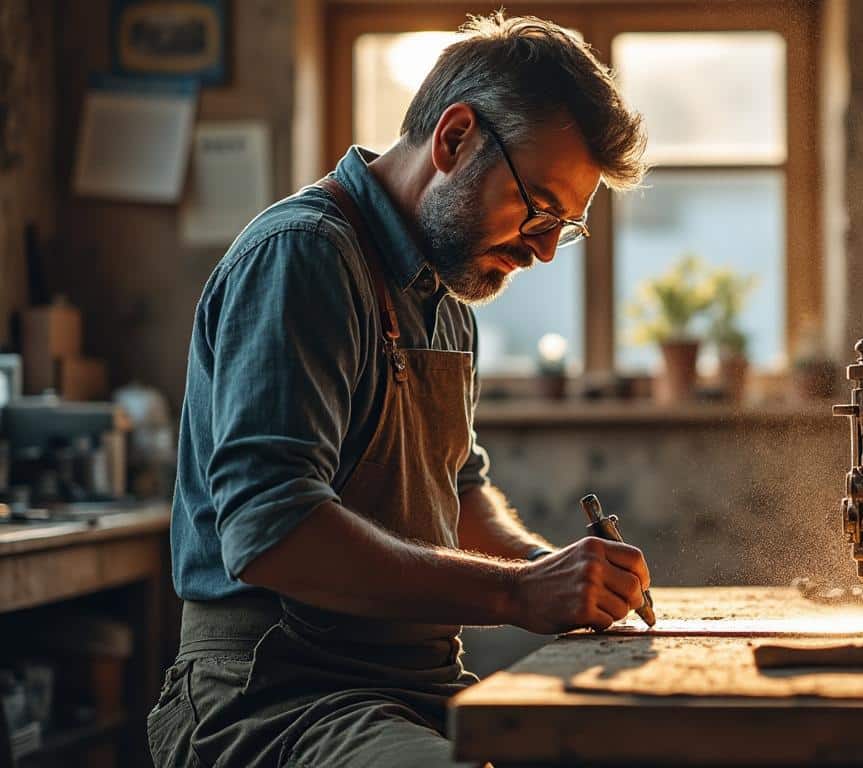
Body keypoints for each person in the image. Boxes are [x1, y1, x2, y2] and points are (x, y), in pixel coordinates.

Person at [148, 13, 650, 767]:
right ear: (454, 140)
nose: (545, 250)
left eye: (565, 227)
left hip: (414, 688)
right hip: (275, 699)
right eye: (540, 209)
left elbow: (461, 495)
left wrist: (565, 577)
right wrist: (518, 593)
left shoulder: (446, 292)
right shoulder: (305, 257)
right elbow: (271, 530)